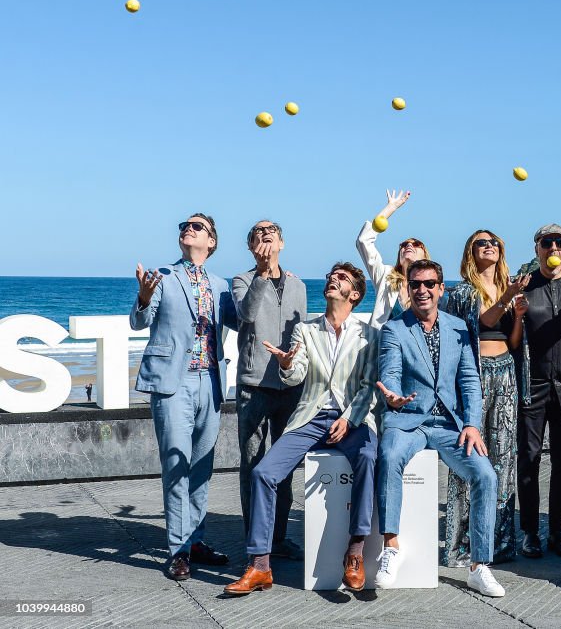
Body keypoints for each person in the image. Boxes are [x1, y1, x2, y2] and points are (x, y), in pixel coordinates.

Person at [224, 262, 379, 595]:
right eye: (331, 277)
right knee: (264, 473)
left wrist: (349, 419)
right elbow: (296, 376)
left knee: (368, 455)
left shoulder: (369, 334)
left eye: (342, 279)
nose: (332, 281)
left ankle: (355, 550)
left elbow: (368, 386)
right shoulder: (306, 330)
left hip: (352, 419)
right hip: (310, 417)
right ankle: (260, 565)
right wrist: (287, 364)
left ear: (354, 294)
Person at [374, 259, 505, 597]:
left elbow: (469, 381)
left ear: (440, 288)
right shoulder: (394, 329)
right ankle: (391, 547)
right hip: (408, 422)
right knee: (388, 455)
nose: (422, 290)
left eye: (429, 284)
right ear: (408, 288)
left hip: (450, 425)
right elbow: (389, 371)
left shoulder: (459, 327)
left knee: (485, 475)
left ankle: (479, 566)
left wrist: (473, 424)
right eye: (415, 284)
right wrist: (393, 397)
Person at [129, 213, 238, 581]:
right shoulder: (163, 275)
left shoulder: (222, 285)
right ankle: (178, 551)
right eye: (183, 227)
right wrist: (144, 298)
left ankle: (196, 541)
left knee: (202, 469)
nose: (186, 230)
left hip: (211, 380)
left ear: (212, 242)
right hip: (173, 383)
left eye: (196, 227)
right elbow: (139, 322)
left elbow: (245, 322)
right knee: (177, 466)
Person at [442, 230, 530, 566]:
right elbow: (482, 322)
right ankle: (462, 545)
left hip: (506, 369)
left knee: (505, 457)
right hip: (474, 375)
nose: (489, 245)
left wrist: (519, 316)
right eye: (481, 242)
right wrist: (508, 297)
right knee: (470, 455)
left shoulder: (507, 287)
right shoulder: (464, 291)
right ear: (470, 252)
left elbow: (513, 339)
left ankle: (499, 543)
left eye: (494, 241)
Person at [232, 220, 307, 561]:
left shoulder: (299, 285)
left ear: (283, 242)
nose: (265, 233)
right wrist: (261, 274)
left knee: (285, 465)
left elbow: (303, 334)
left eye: (272, 230)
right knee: (253, 465)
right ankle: (256, 542)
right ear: (251, 246)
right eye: (258, 232)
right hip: (254, 385)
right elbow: (245, 315)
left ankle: (278, 539)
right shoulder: (242, 281)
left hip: (290, 386)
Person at [518, 223, 561, 559]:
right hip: (532, 388)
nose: (554, 248)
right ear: (537, 248)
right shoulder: (524, 287)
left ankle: (557, 532)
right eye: (548, 243)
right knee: (529, 460)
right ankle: (530, 532)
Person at [356, 189, 431, 329]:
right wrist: (391, 207)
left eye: (416, 244)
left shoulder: (431, 284)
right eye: (404, 244)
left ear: (425, 256)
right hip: (385, 347)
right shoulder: (386, 276)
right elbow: (363, 241)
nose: (409, 245)